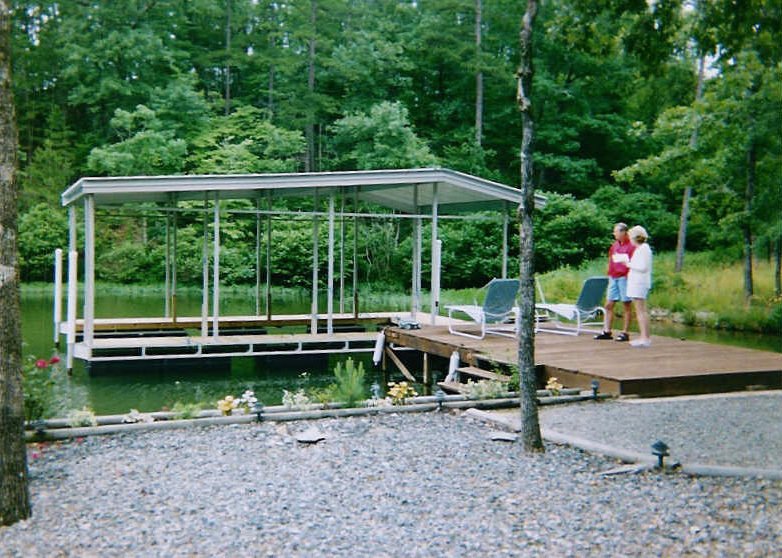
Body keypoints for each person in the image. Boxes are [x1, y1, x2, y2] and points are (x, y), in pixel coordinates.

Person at [594, 222, 635, 342]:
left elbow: (633, 263)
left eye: (616, 231)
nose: (614, 234)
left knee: (626, 304)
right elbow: (611, 260)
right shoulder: (615, 245)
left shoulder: (631, 246)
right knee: (609, 304)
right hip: (613, 277)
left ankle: (625, 332)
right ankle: (607, 331)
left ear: (624, 232)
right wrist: (610, 273)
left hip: (624, 277)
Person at [614, 225, 653, 347]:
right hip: (638, 282)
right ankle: (644, 337)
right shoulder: (642, 248)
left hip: (639, 283)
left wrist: (627, 264)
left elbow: (642, 267)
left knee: (640, 311)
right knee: (641, 311)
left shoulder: (643, 249)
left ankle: (644, 338)